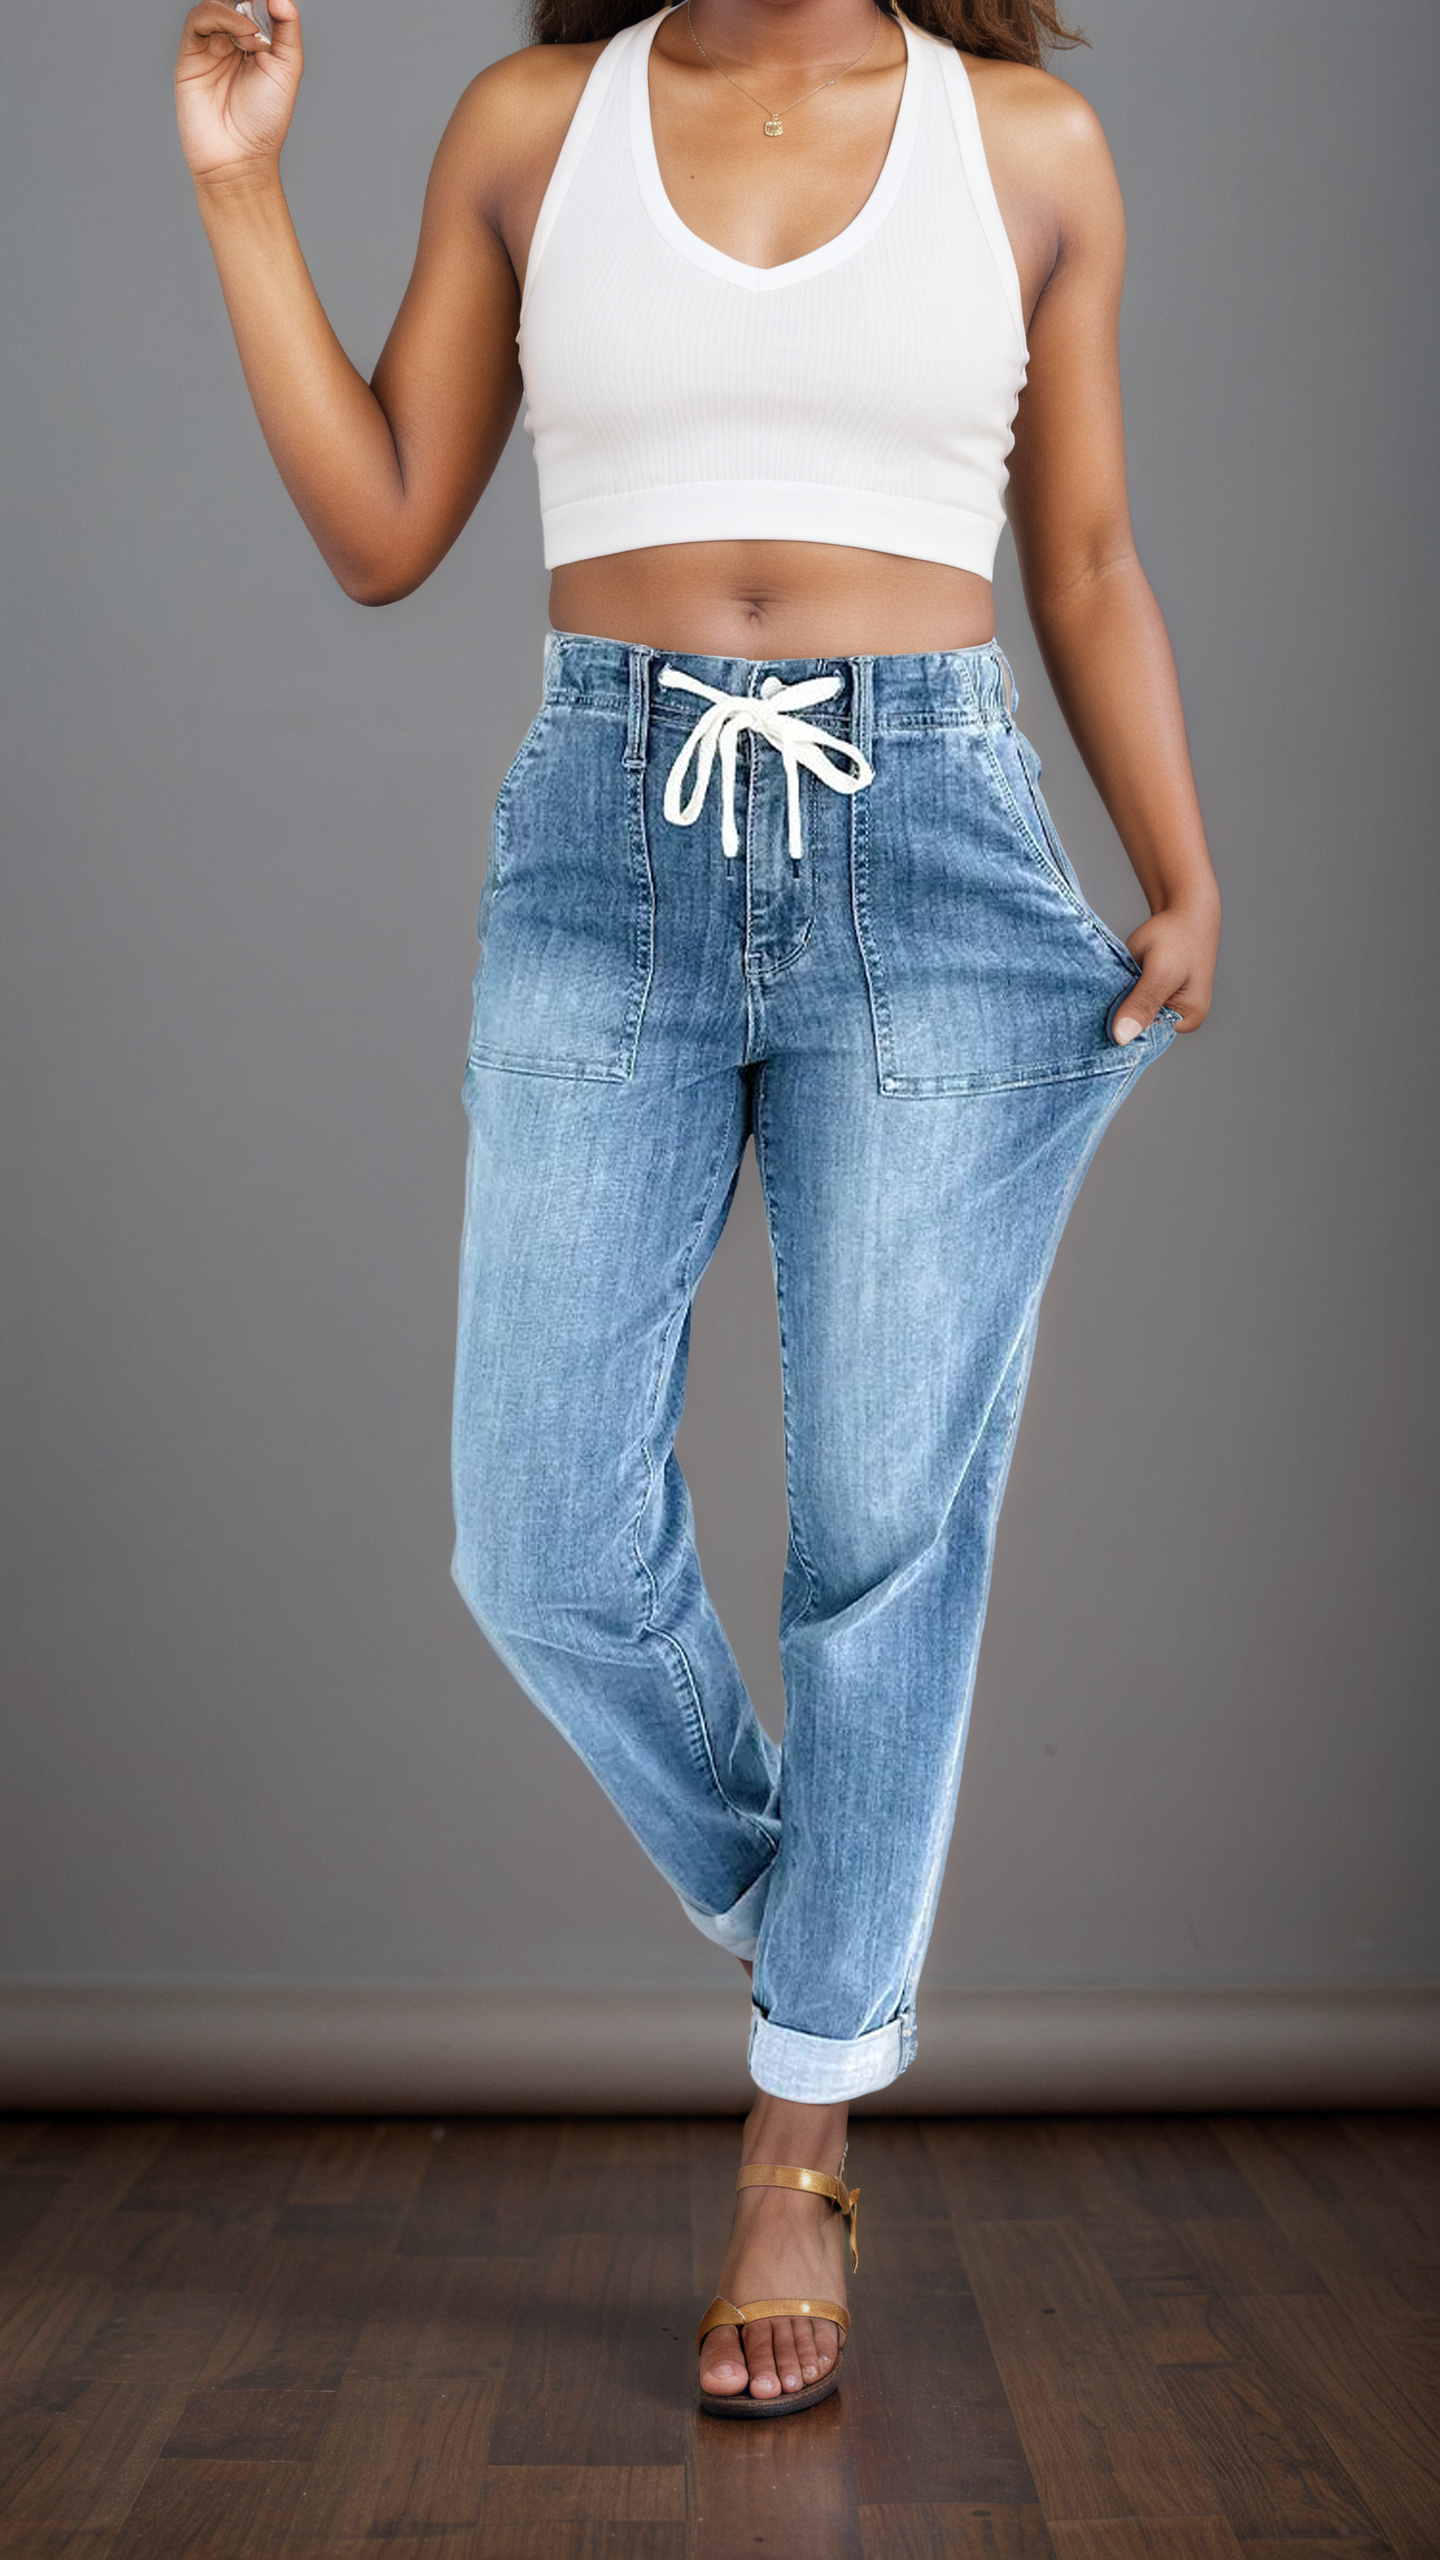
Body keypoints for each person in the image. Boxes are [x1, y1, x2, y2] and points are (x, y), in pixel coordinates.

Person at [176, 0, 1220, 2417]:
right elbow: (383, 527)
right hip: (602, 844)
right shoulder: (534, 124)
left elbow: (1083, 551)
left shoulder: (1032, 148)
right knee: (534, 1530)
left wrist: (1182, 859)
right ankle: (820, 1931)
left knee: (886, 1531)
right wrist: (238, 189)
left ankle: (798, 2141)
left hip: (936, 848)